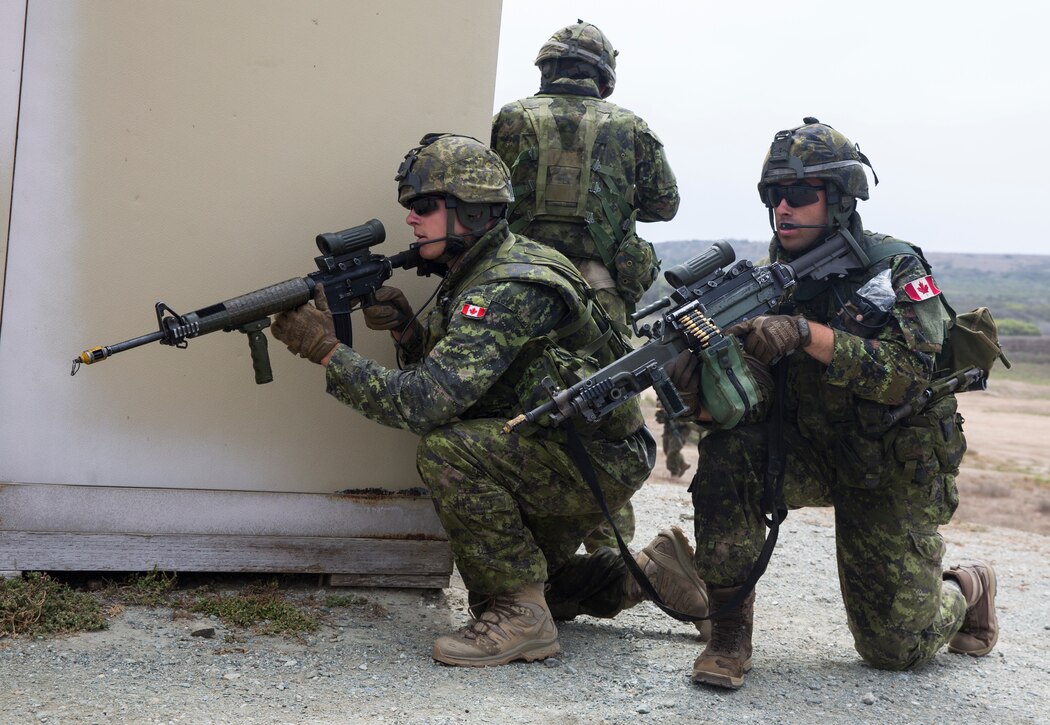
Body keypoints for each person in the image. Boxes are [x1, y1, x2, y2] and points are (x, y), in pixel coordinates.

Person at [269, 133, 709, 667]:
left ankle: (523, 621)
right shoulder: (481, 268)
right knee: (522, 582)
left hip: (593, 455)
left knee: (447, 449)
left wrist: (325, 351)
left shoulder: (504, 287)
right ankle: (652, 572)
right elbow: (478, 376)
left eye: (425, 207)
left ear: (472, 212)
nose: (411, 219)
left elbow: (426, 403)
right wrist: (408, 331)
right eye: (411, 208)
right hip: (572, 443)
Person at [678, 119, 998, 689]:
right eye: (775, 195)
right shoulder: (766, 281)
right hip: (805, 451)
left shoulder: (894, 267)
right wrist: (701, 387)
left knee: (894, 650)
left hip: (888, 463)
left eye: (801, 194)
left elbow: (907, 375)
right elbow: (743, 405)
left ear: (842, 199)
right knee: (728, 451)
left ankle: (966, 586)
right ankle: (728, 631)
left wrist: (806, 333)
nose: (784, 207)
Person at [492, 19, 680, 552]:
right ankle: (610, 548)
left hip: (521, 282)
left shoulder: (509, 119)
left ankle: (521, 542)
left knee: (509, 401)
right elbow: (665, 205)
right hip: (600, 292)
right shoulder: (630, 126)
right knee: (603, 409)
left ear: (548, 69)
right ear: (603, 77)